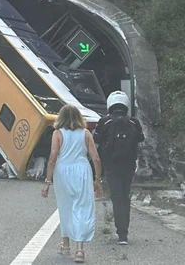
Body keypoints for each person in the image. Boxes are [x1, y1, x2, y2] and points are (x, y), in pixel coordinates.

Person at [41, 105, 103, 263]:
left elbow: (53, 157)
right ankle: (80, 250)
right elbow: (95, 158)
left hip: (63, 171)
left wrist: (47, 182)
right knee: (82, 208)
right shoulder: (86, 133)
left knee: (65, 207)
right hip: (82, 170)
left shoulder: (58, 134)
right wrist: (98, 180)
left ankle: (66, 245)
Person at [94, 91, 145, 245]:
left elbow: (96, 138)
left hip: (111, 164)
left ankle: (120, 233)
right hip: (129, 164)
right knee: (125, 195)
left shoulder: (104, 121)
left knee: (116, 196)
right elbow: (141, 138)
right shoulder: (134, 122)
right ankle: (125, 232)